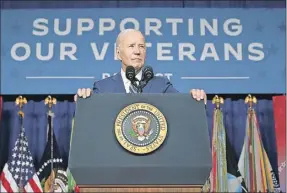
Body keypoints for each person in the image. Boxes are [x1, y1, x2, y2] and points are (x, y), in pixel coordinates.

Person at [76, 29, 206, 103]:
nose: (137, 51)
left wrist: (194, 98)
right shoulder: (103, 88)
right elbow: (89, 118)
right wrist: (84, 100)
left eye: (142, 46)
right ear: (118, 53)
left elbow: (183, 107)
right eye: (131, 46)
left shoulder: (161, 85)